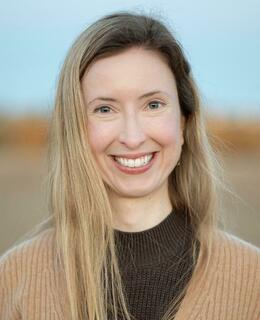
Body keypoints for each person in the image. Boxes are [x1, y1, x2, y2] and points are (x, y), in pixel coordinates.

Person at [0, 11, 259, 320]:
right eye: (105, 108)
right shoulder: (14, 280)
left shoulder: (252, 281)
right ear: (75, 128)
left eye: (153, 105)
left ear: (184, 120)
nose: (132, 137)